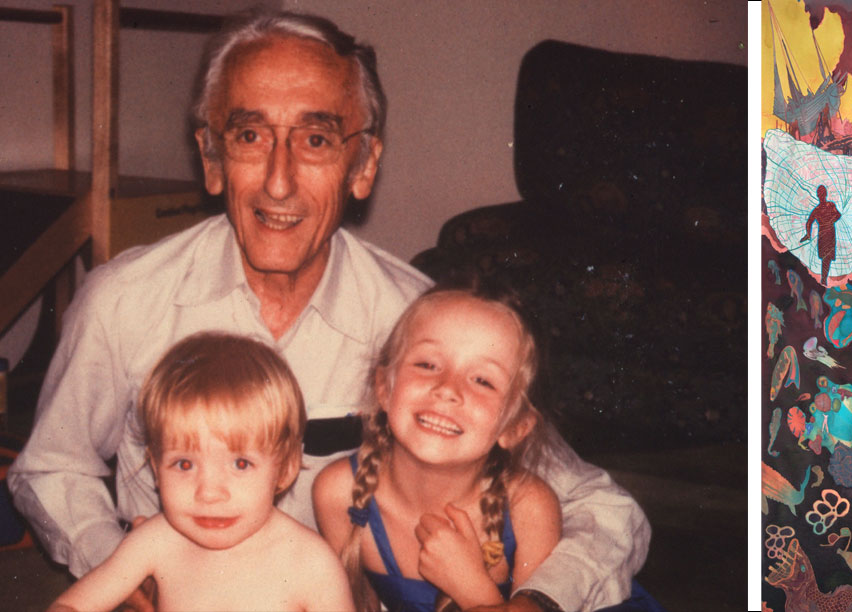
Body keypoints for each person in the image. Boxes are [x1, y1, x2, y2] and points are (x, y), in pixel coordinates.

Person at [9, 9, 649, 611]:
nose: (278, 181)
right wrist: (117, 565)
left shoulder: (419, 327)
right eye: (250, 135)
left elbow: (601, 506)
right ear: (211, 157)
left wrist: (536, 600)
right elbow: (52, 464)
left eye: (316, 139)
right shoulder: (121, 299)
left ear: (363, 164)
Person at [49, 333, 354, 612]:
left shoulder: (311, 564)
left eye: (240, 464)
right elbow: (72, 605)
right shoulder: (156, 540)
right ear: (156, 469)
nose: (208, 492)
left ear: (285, 470)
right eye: (184, 464)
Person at [314, 285, 561, 611]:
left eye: (483, 381)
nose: (447, 389)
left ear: (516, 428)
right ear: (383, 387)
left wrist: (473, 589)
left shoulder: (528, 508)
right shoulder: (339, 493)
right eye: (428, 365)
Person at [800, 185, 841, 287]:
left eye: (822, 193)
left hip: (829, 233)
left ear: (825, 194)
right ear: (818, 195)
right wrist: (808, 234)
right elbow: (809, 222)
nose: (821, 196)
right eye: (820, 194)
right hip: (824, 235)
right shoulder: (817, 210)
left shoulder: (830, 205)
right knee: (825, 257)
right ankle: (823, 279)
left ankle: (824, 279)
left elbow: (838, 215)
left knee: (827, 258)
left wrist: (829, 222)